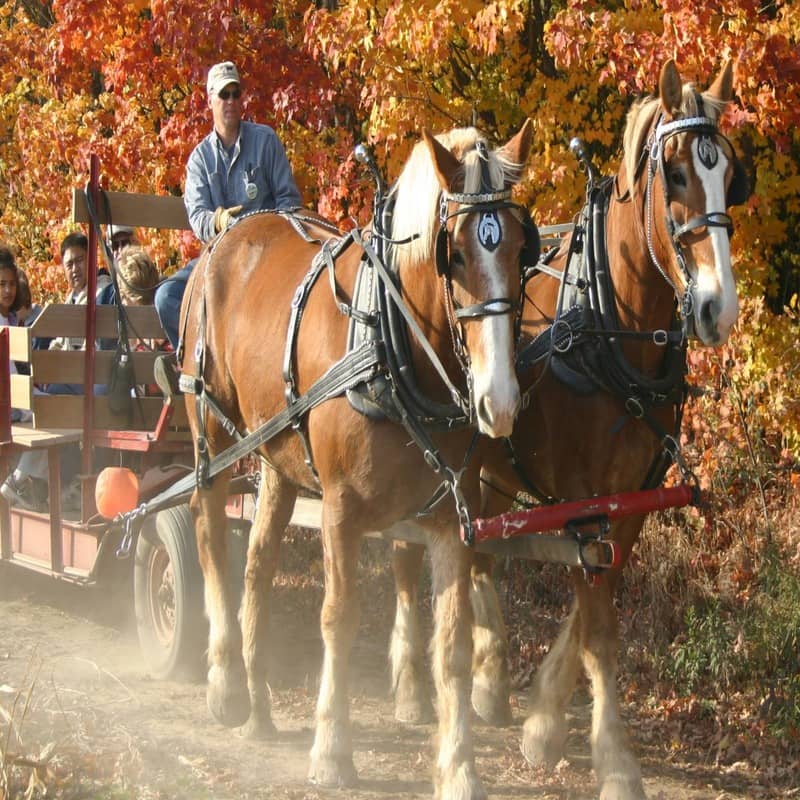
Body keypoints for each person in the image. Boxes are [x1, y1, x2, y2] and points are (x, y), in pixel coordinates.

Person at [153, 60, 302, 394]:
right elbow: (199, 215)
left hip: (269, 256)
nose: (231, 100)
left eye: (236, 93)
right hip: (220, 259)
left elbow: (289, 201)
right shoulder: (199, 160)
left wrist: (266, 231)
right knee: (166, 297)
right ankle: (195, 367)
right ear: (210, 100)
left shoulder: (266, 142)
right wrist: (219, 221)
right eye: (224, 94)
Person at [0, 245, 162, 513]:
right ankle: (35, 481)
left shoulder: (111, 305)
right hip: (132, 396)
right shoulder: (155, 311)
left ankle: (33, 481)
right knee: (60, 398)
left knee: (61, 403)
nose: (8, 290)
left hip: (121, 401)